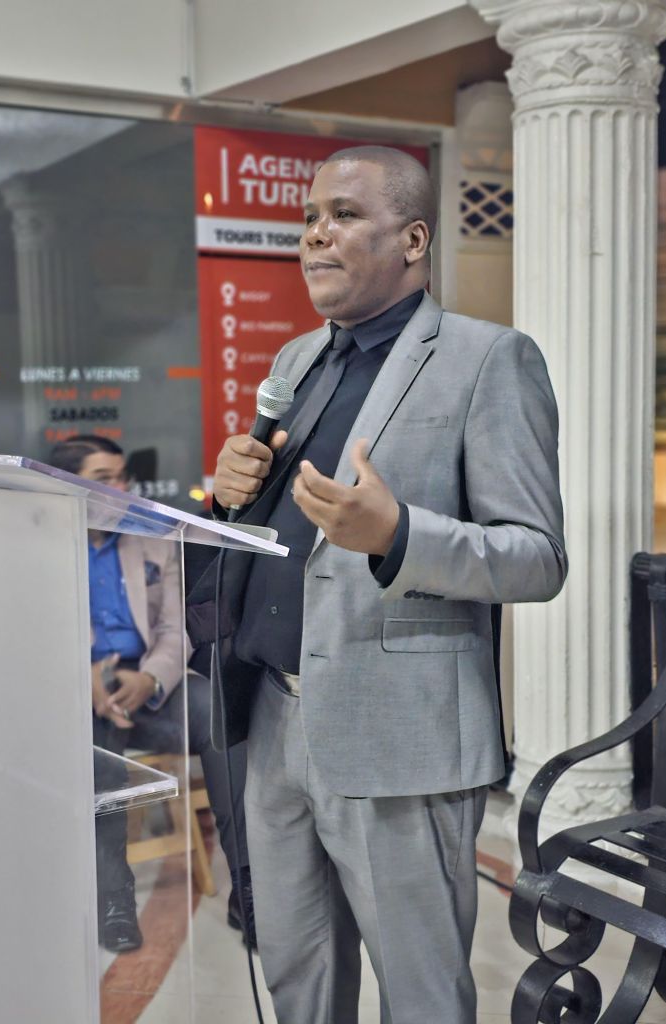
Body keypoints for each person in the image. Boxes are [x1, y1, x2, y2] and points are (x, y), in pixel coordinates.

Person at [193, 145, 567, 1023]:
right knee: (297, 975)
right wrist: (231, 491)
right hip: (274, 718)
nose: (315, 234)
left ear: (414, 239)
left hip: (400, 734)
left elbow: (537, 557)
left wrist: (399, 536)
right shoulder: (297, 361)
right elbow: (279, 533)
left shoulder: (488, 358)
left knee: (421, 993)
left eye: (344, 215)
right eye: (308, 219)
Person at [48, 436, 254, 954]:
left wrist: (151, 679)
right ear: (68, 486)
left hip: (148, 685)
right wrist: (85, 679)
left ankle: (249, 888)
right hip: (76, 693)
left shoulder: (151, 537)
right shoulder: (39, 544)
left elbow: (173, 627)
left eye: (122, 477)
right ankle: (113, 899)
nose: (119, 489)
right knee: (99, 746)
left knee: (217, 713)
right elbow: (30, 634)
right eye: (104, 479)